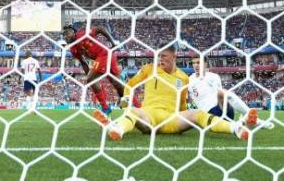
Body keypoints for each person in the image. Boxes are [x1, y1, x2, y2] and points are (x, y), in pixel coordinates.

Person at [106, 44, 256, 141]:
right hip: (149, 116)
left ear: (174, 57)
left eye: (163, 56)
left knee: (198, 114)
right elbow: (131, 85)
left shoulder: (184, 78)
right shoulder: (149, 69)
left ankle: (235, 128)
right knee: (132, 111)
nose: (160, 60)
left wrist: (186, 118)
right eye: (158, 56)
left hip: (172, 119)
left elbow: (182, 104)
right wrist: (126, 97)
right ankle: (117, 130)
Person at [63, 24, 140, 122]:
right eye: (64, 35)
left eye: (67, 33)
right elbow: (83, 63)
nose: (66, 36)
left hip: (104, 54)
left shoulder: (82, 34)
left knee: (107, 82)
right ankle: (138, 106)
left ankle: (106, 108)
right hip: (105, 57)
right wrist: (90, 77)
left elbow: (100, 29)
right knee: (117, 83)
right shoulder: (73, 49)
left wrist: (112, 42)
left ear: (73, 32)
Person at [188, 57, 273, 129]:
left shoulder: (213, 77)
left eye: (199, 62)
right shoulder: (189, 80)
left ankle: (252, 117)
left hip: (222, 111)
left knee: (224, 93)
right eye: (194, 63)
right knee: (231, 124)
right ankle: (244, 121)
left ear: (205, 64)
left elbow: (220, 95)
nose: (196, 65)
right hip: (207, 115)